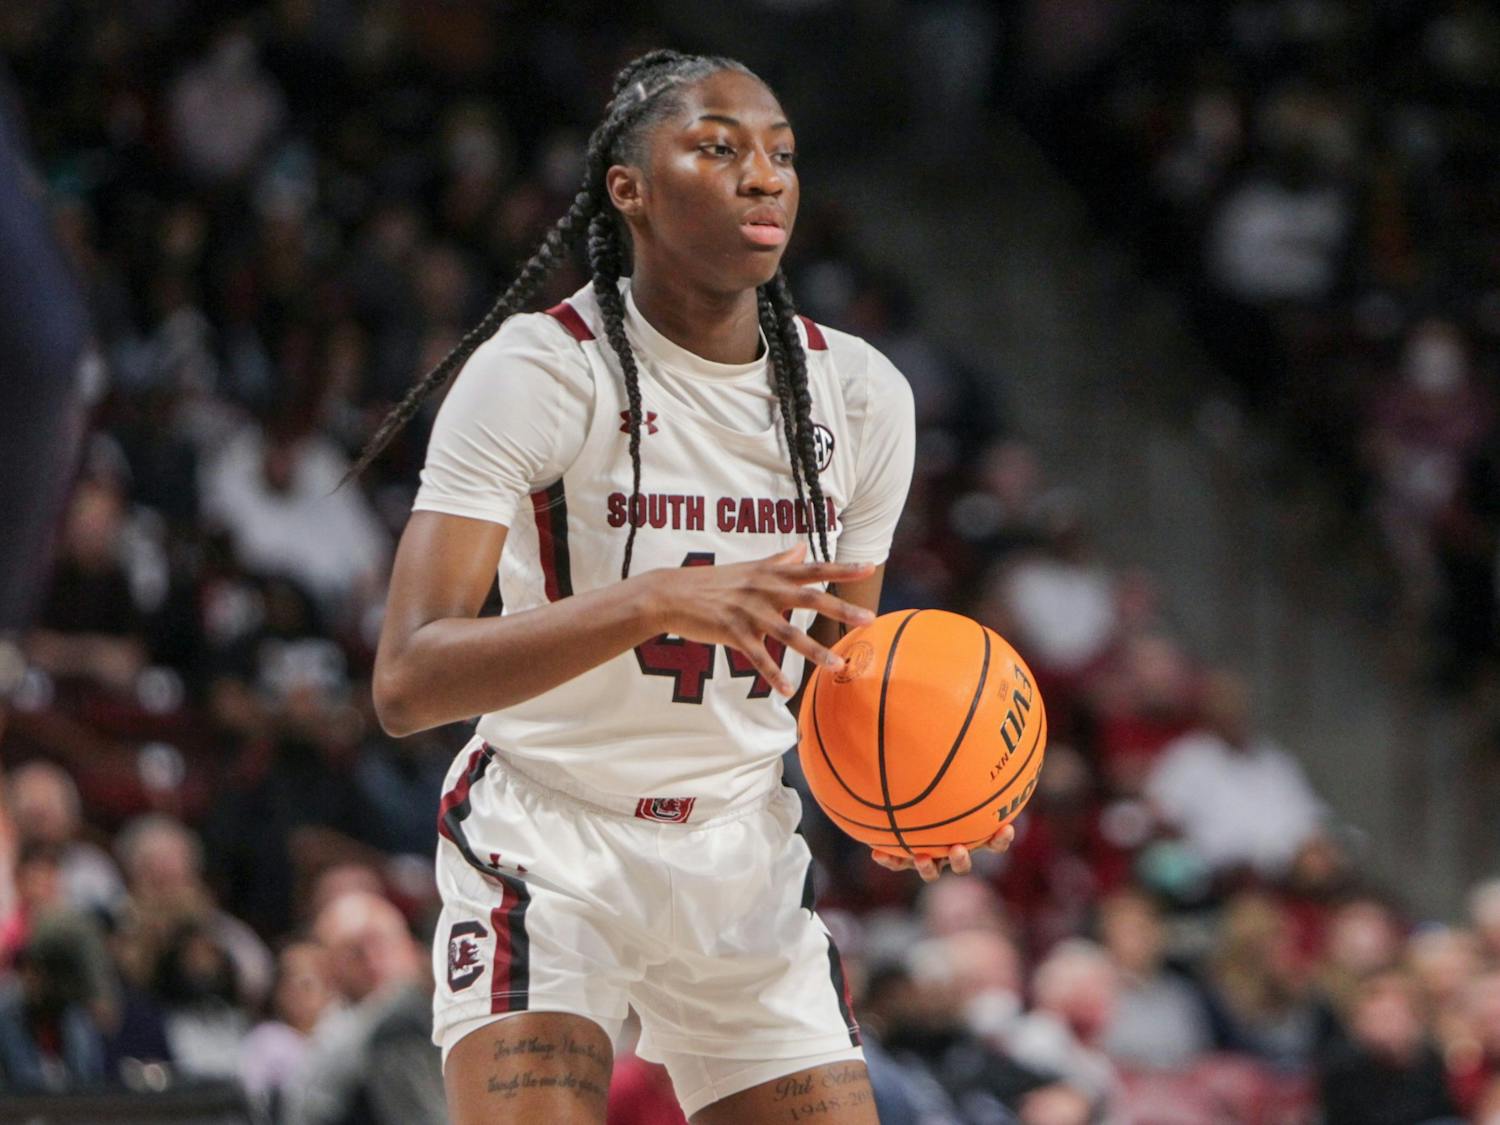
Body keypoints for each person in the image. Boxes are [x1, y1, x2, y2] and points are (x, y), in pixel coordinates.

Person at [354, 49, 1013, 1124]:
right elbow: (407, 680)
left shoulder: (861, 397)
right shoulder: (540, 369)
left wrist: (915, 790)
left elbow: (838, 671)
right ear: (631, 188)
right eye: (719, 148)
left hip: (738, 858)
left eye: (782, 155)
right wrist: (653, 602)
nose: (764, 177)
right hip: (548, 839)